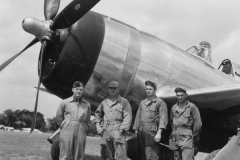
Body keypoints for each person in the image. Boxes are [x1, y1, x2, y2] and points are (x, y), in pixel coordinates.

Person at [95, 81, 132, 160]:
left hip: (118, 130)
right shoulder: (104, 103)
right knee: (106, 156)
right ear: (108, 89)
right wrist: (98, 126)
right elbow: (97, 114)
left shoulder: (124, 102)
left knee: (121, 156)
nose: (112, 90)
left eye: (114, 88)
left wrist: (122, 129)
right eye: (110, 88)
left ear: (118, 89)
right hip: (106, 130)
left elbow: (128, 116)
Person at [133, 80, 168, 160]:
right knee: (141, 156)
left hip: (151, 133)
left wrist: (159, 133)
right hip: (141, 133)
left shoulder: (160, 103)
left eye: (150, 89)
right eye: (147, 89)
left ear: (155, 90)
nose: (148, 91)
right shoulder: (142, 103)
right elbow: (138, 117)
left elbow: (163, 118)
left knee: (151, 156)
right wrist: (135, 132)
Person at [56, 81, 91, 160]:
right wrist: (64, 125)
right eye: (76, 89)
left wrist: (84, 127)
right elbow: (59, 116)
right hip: (67, 128)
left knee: (79, 155)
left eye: (80, 89)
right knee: (65, 153)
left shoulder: (87, 104)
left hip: (81, 129)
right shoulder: (65, 102)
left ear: (83, 91)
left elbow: (88, 118)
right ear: (73, 90)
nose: (78, 91)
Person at [169, 87, 202, 160]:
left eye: (181, 95)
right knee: (176, 158)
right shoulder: (174, 108)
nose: (180, 97)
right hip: (175, 138)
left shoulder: (192, 107)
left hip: (186, 138)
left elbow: (198, 124)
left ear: (186, 95)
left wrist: (193, 137)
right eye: (178, 95)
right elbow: (172, 121)